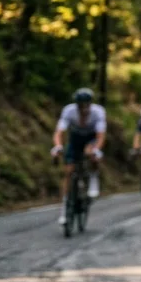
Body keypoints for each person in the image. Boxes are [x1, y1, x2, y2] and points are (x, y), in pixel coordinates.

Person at [51, 88, 107, 224]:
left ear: (90, 104)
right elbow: (59, 132)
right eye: (81, 105)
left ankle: (93, 179)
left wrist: (97, 150)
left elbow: (101, 136)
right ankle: (65, 209)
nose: (83, 108)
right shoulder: (69, 111)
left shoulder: (98, 112)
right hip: (75, 139)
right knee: (69, 171)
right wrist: (58, 146)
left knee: (90, 153)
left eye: (86, 104)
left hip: (91, 138)